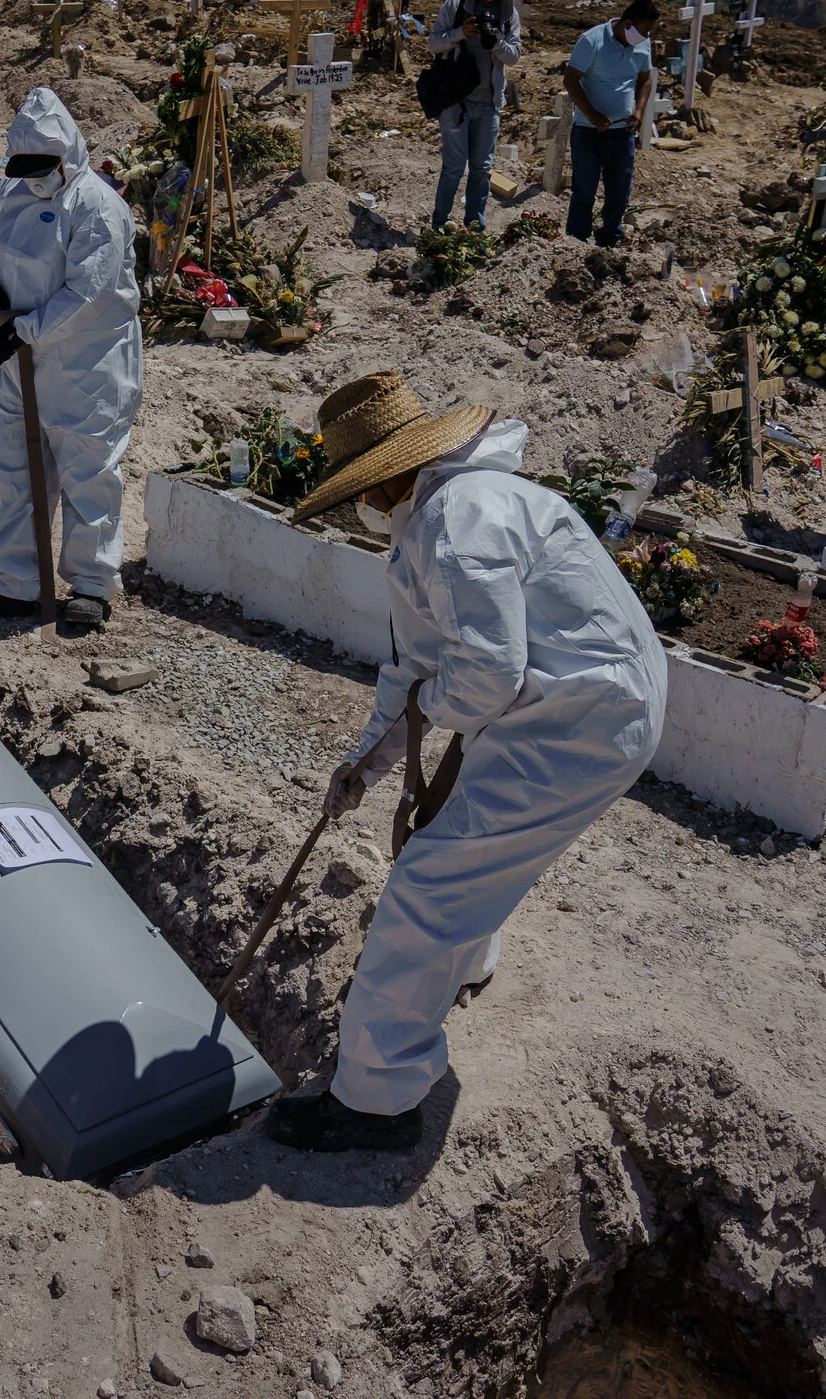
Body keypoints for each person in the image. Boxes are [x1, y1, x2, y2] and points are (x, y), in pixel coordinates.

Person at [266, 374, 667, 1152]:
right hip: (573, 703)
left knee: (429, 884)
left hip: (577, 724)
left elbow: (484, 677)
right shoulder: (448, 510)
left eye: (363, 485)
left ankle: (375, 1098)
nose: (363, 502)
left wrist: (427, 710)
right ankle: (462, 967)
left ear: (391, 473)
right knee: (463, 849)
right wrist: (364, 764)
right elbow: (417, 671)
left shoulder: (457, 523)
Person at [0, 89, 140, 633]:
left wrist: (22, 328)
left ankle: (91, 585)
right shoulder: (7, 195)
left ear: (67, 156)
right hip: (20, 359)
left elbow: (87, 293)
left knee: (89, 472)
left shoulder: (97, 207)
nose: (34, 181)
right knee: (16, 468)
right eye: (26, 171)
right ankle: (13, 582)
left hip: (86, 363)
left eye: (43, 170)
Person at [427, 0, 524, 231]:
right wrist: (461, 32)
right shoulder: (456, 5)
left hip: (488, 104)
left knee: (481, 169)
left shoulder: (508, 15)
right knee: (454, 168)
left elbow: (514, 56)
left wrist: (495, 42)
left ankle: (474, 226)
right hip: (455, 102)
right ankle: (440, 224)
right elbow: (433, 44)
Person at [561, 0, 660, 247]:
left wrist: (639, 110)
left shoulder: (642, 44)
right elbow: (570, 80)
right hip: (588, 132)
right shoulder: (592, 40)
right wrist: (592, 114)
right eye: (644, 30)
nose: (646, 36)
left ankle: (610, 242)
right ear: (627, 24)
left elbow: (645, 79)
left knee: (619, 192)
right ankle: (576, 243)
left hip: (622, 132)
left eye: (649, 31)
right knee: (584, 191)